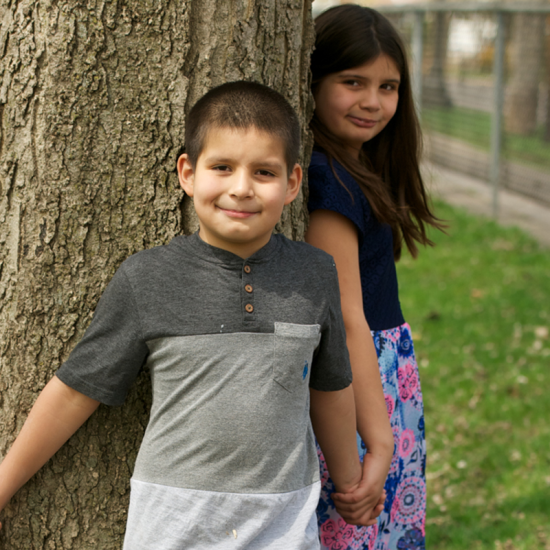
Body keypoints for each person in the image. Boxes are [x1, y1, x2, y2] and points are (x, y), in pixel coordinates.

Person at [0, 81, 369, 549]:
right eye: (222, 167)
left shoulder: (314, 273)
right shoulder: (147, 279)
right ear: (188, 174)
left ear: (293, 182)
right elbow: (76, 391)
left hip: (284, 521)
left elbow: (331, 386)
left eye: (263, 172)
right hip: (175, 523)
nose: (241, 188)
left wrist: (350, 479)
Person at [306, 5, 445, 550]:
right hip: (362, 396)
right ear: (312, 79)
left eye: (388, 86)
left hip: (382, 382)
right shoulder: (328, 182)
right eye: (352, 81)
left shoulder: (353, 168)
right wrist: (379, 443)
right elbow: (343, 319)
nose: (372, 101)